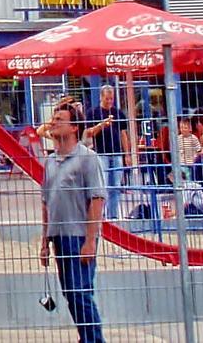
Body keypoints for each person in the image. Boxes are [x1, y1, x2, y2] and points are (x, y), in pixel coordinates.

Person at [39, 99, 106, 343]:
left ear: (74, 127)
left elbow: (97, 199)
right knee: (71, 292)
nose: (54, 123)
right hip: (59, 236)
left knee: (80, 292)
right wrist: (45, 241)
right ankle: (85, 337)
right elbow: (46, 202)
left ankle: (94, 339)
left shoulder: (88, 159)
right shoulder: (50, 161)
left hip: (79, 235)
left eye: (60, 120)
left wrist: (90, 240)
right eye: (54, 119)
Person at [85, 85, 129, 218]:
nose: (109, 102)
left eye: (111, 99)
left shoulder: (118, 113)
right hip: (101, 152)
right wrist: (102, 124)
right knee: (102, 184)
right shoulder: (93, 113)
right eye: (107, 99)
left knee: (115, 185)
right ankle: (100, 215)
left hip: (116, 153)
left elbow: (123, 134)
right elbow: (89, 133)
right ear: (101, 97)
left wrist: (126, 153)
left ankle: (113, 215)